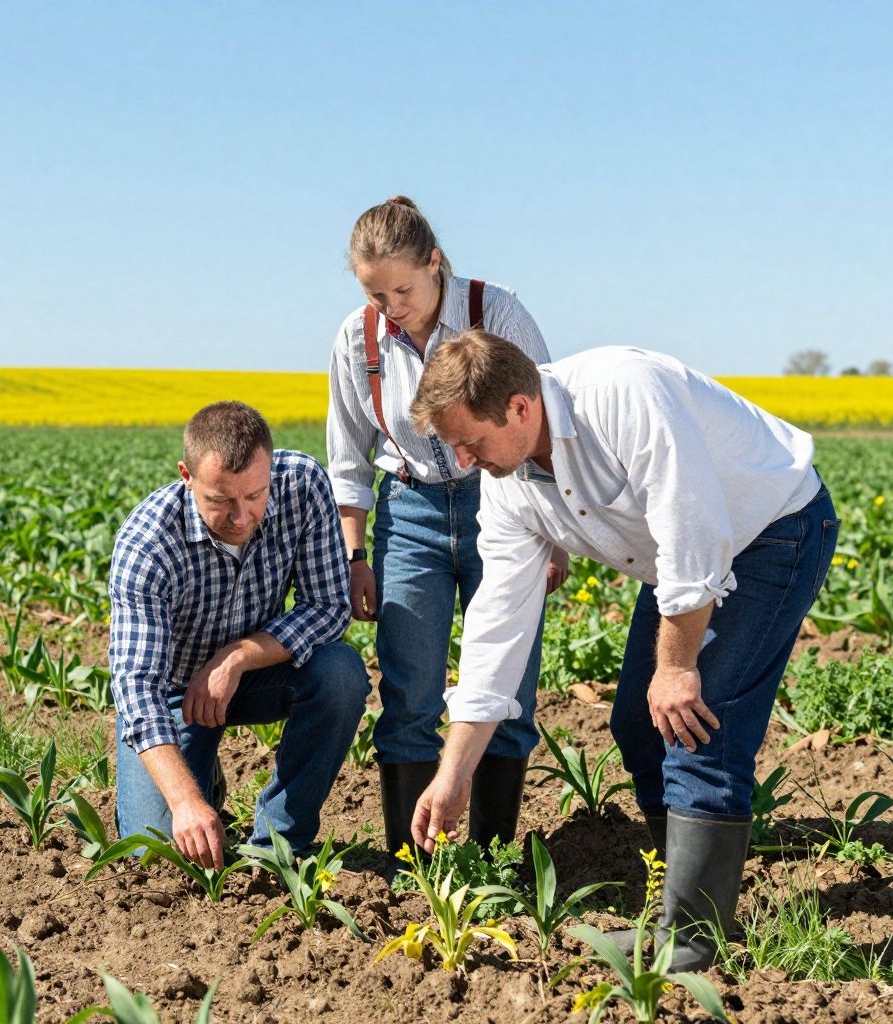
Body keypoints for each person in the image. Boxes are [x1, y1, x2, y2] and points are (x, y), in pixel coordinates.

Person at [406, 333, 839, 970]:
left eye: (471, 441)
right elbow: (496, 625)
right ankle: (684, 905)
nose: (465, 461)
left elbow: (693, 528)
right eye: (454, 447)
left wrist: (677, 666)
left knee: (697, 727)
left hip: (771, 530)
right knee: (638, 723)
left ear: (521, 408)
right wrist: (454, 772)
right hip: (683, 558)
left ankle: (694, 941)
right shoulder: (507, 480)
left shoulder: (623, 393)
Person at [326, 196, 566, 863]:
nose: (391, 305)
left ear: (435, 263)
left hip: (503, 502)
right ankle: (415, 865)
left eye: (403, 288)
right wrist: (354, 555)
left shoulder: (499, 312)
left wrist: (554, 535)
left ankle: (491, 858)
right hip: (410, 513)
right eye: (375, 293)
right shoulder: (357, 339)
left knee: (509, 681)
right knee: (409, 688)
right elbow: (347, 457)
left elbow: (540, 421)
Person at [110, 400, 370, 868]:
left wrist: (236, 657)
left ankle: (279, 842)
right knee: (158, 856)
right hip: (175, 694)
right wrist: (185, 801)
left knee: (341, 673)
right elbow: (136, 686)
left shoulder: (302, 486)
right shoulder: (148, 542)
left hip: (259, 673)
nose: (241, 516)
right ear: (186, 477)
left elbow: (328, 608)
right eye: (220, 500)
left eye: (255, 495)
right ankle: (201, 779)